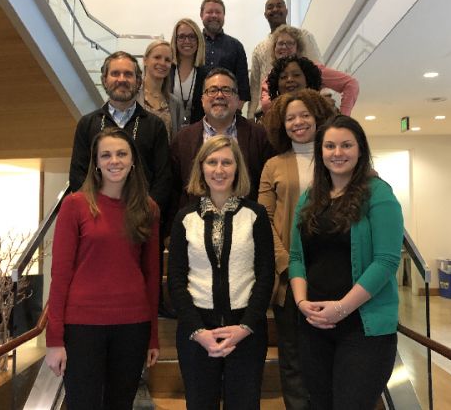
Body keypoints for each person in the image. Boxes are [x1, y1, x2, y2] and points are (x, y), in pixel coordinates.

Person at [289, 115, 403, 409]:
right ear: (320, 151)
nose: (337, 153)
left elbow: (386, 261)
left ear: (361, 150)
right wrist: (302, 304)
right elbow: (298, 257)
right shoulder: (309, 198)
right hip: (315, 325)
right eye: (329, 146)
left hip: (364, 329)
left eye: (346, 145)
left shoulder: (379, 194)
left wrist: (341, 309)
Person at [46, 127, 160, 410]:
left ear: (133, 160)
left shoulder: (148, 208)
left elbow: (152, 277)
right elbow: (60, 277)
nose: (114, 160)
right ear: (95, 162)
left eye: (122, 154)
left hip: (133, 326)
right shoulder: (75, 206)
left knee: (120, 405)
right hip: (83, 327)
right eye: (106, 155)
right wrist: (54, 340)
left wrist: (153, 336)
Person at [168, 135, 275, 409]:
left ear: (237, 168)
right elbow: (177, 280)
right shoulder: (184, 218)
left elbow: (265, 275)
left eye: (227, 162)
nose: (219, 169)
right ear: (201, 168)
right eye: (212, 162)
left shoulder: (256, 214)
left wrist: (245, 327)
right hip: (197, 332)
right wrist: (197, 330)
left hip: (246, 331)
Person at [258, 89, 335, 409]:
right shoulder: (273, 165)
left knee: (328, 354)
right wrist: (285, 264)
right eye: (290, 118)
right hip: (289, 276)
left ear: (318, 117)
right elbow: (265, 221)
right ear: (281, 124)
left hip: (332, 274)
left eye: (305, 115)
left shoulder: (335, 157)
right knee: (292, 357)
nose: (298, 122)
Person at [69, 51, 171, 216]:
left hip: (141, 221)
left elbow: (163, 179)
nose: (122, 79)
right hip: (97, 218)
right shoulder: (87, 124)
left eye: (128, 74)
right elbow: (78, 175)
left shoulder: (155, 125)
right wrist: (94, 212)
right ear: (104, 80)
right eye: (115, 74)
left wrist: (145, 213)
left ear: (138, 81)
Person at [170, 67, 274, 215]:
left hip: (246, 225)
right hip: (195, 227)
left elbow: (267, 188)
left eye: (226, 90)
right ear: (202, 100)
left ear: (238, 99)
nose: (219, 95)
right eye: (212, 90)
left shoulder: (259, 135)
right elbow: (174, 191)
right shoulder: (183, 139)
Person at [248, 0, 321, 120]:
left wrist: (321, 100)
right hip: (268, 113)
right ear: (265, 14)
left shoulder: (304, 37)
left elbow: (318, 70)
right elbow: (255, 87)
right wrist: (250, 116)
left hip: (302, 106)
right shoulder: (258, 49)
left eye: (279, 5)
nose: (275, 9)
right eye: (270, 7)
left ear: (286, 10)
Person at [260, 25, 359, 115]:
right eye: (280, 43)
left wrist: (344, 117)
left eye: (290, 43)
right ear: (274, 48)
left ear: (298, 49)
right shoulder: (269, 78)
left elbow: (351, 84)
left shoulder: (312, 69)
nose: (284, 47)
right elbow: (267, 107)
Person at [200, 0, 251, 109]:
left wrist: (232, 114)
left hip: (228, 114)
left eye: (218, 12)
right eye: (209, 12)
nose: (214, 15)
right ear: (201, 15)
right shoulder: (193, 45)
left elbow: (243, 88)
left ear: (224, 16)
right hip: (195, 116)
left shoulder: (236, 46)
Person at [137, 40, 184, 142]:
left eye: (167, 60)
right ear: (145, 60)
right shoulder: (132, 98)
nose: (162, 63)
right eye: (157, 57)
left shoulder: (175, 103)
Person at [170, 18, 208, 124]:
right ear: (175, 40)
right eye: (182, 37)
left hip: (197, 133)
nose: (187, 41)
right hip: (168, 132)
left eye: (192, 37)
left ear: (198, 40)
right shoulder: (167, 71)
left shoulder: (206, 74)